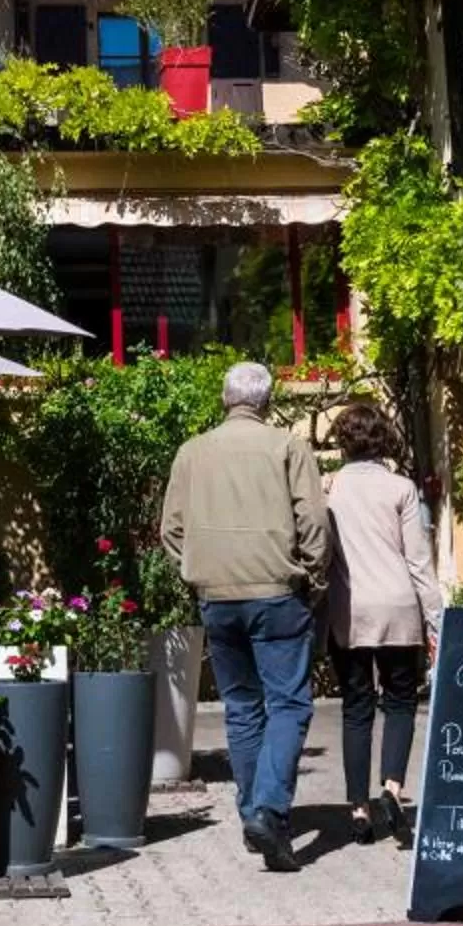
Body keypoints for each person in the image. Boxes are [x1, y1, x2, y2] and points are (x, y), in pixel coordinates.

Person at [161, 360, 328, 873]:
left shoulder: (192, 452)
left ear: (225, 398)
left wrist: (199, 570)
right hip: (277, 591)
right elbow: (314, 523)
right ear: (266, 401)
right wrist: (313, 578)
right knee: (289, 704)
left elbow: (171, 530)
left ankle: (253, 812)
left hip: (216, 594)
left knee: (241, 708)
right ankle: (270, 811)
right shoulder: (287, 447)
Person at [322, 399, 443, 846]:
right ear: (382, 440)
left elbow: (321, 554)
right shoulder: (401, 489)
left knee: (356, 709)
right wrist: (437, 620)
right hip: (398, 607)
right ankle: (391, 789)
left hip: (349, 608)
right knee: (400, 702)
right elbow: (418, 562)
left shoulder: (328, 488)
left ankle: (357, 809)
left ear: (343, 442)